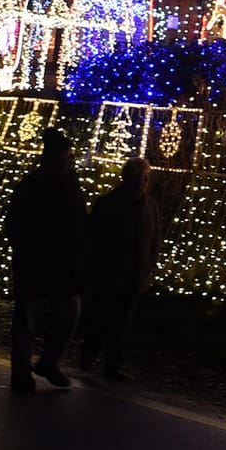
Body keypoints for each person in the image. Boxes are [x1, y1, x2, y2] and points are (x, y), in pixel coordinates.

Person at [5, 127, 88, 393]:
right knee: (27, 319)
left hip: (63, 264)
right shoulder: (33, 187)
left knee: (68, 313)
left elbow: (79, 222)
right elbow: (14, 226)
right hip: (37, 263)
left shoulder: (71, 185)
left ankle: (48, 362)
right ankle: (21, 372)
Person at [80, 158, 160, 382]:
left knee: (123, 321)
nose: (144, 182)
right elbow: (93, 237)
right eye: (140, 177)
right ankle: (91, 353)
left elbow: (155, 235)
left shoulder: (149, 205)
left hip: (135, 273)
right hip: (110, 272)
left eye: (146, 177)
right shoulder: (109, 204)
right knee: (106, 316)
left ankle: (111, 365)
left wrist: (150, 261)